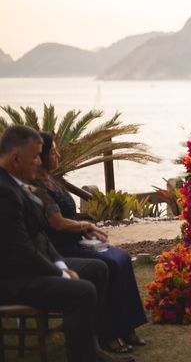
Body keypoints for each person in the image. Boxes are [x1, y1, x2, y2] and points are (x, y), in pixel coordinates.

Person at [0, 125, 132, 362]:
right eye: (35, 157)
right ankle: (84, 356)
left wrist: (61, 266)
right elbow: (21, 250)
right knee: (83, 291)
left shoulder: (18, 185)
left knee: (98, 268)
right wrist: (59, 273)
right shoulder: (4, 191)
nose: (38, 162)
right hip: (12, 278)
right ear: (16, 158)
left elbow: (40, 235)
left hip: (31, 267)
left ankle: (95, 343)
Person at [31, 132, 147, 354]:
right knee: (108, 265)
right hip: (60, 248)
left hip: (76, 241)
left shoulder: (52, 180)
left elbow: (69, 216)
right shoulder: (37, 186)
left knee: (121, 257)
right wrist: (85, 226)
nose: (57, 155)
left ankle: (127, 326)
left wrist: (87, 230)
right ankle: (107, 333)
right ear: (42, 156)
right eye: (53, 152)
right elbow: (57, 223)